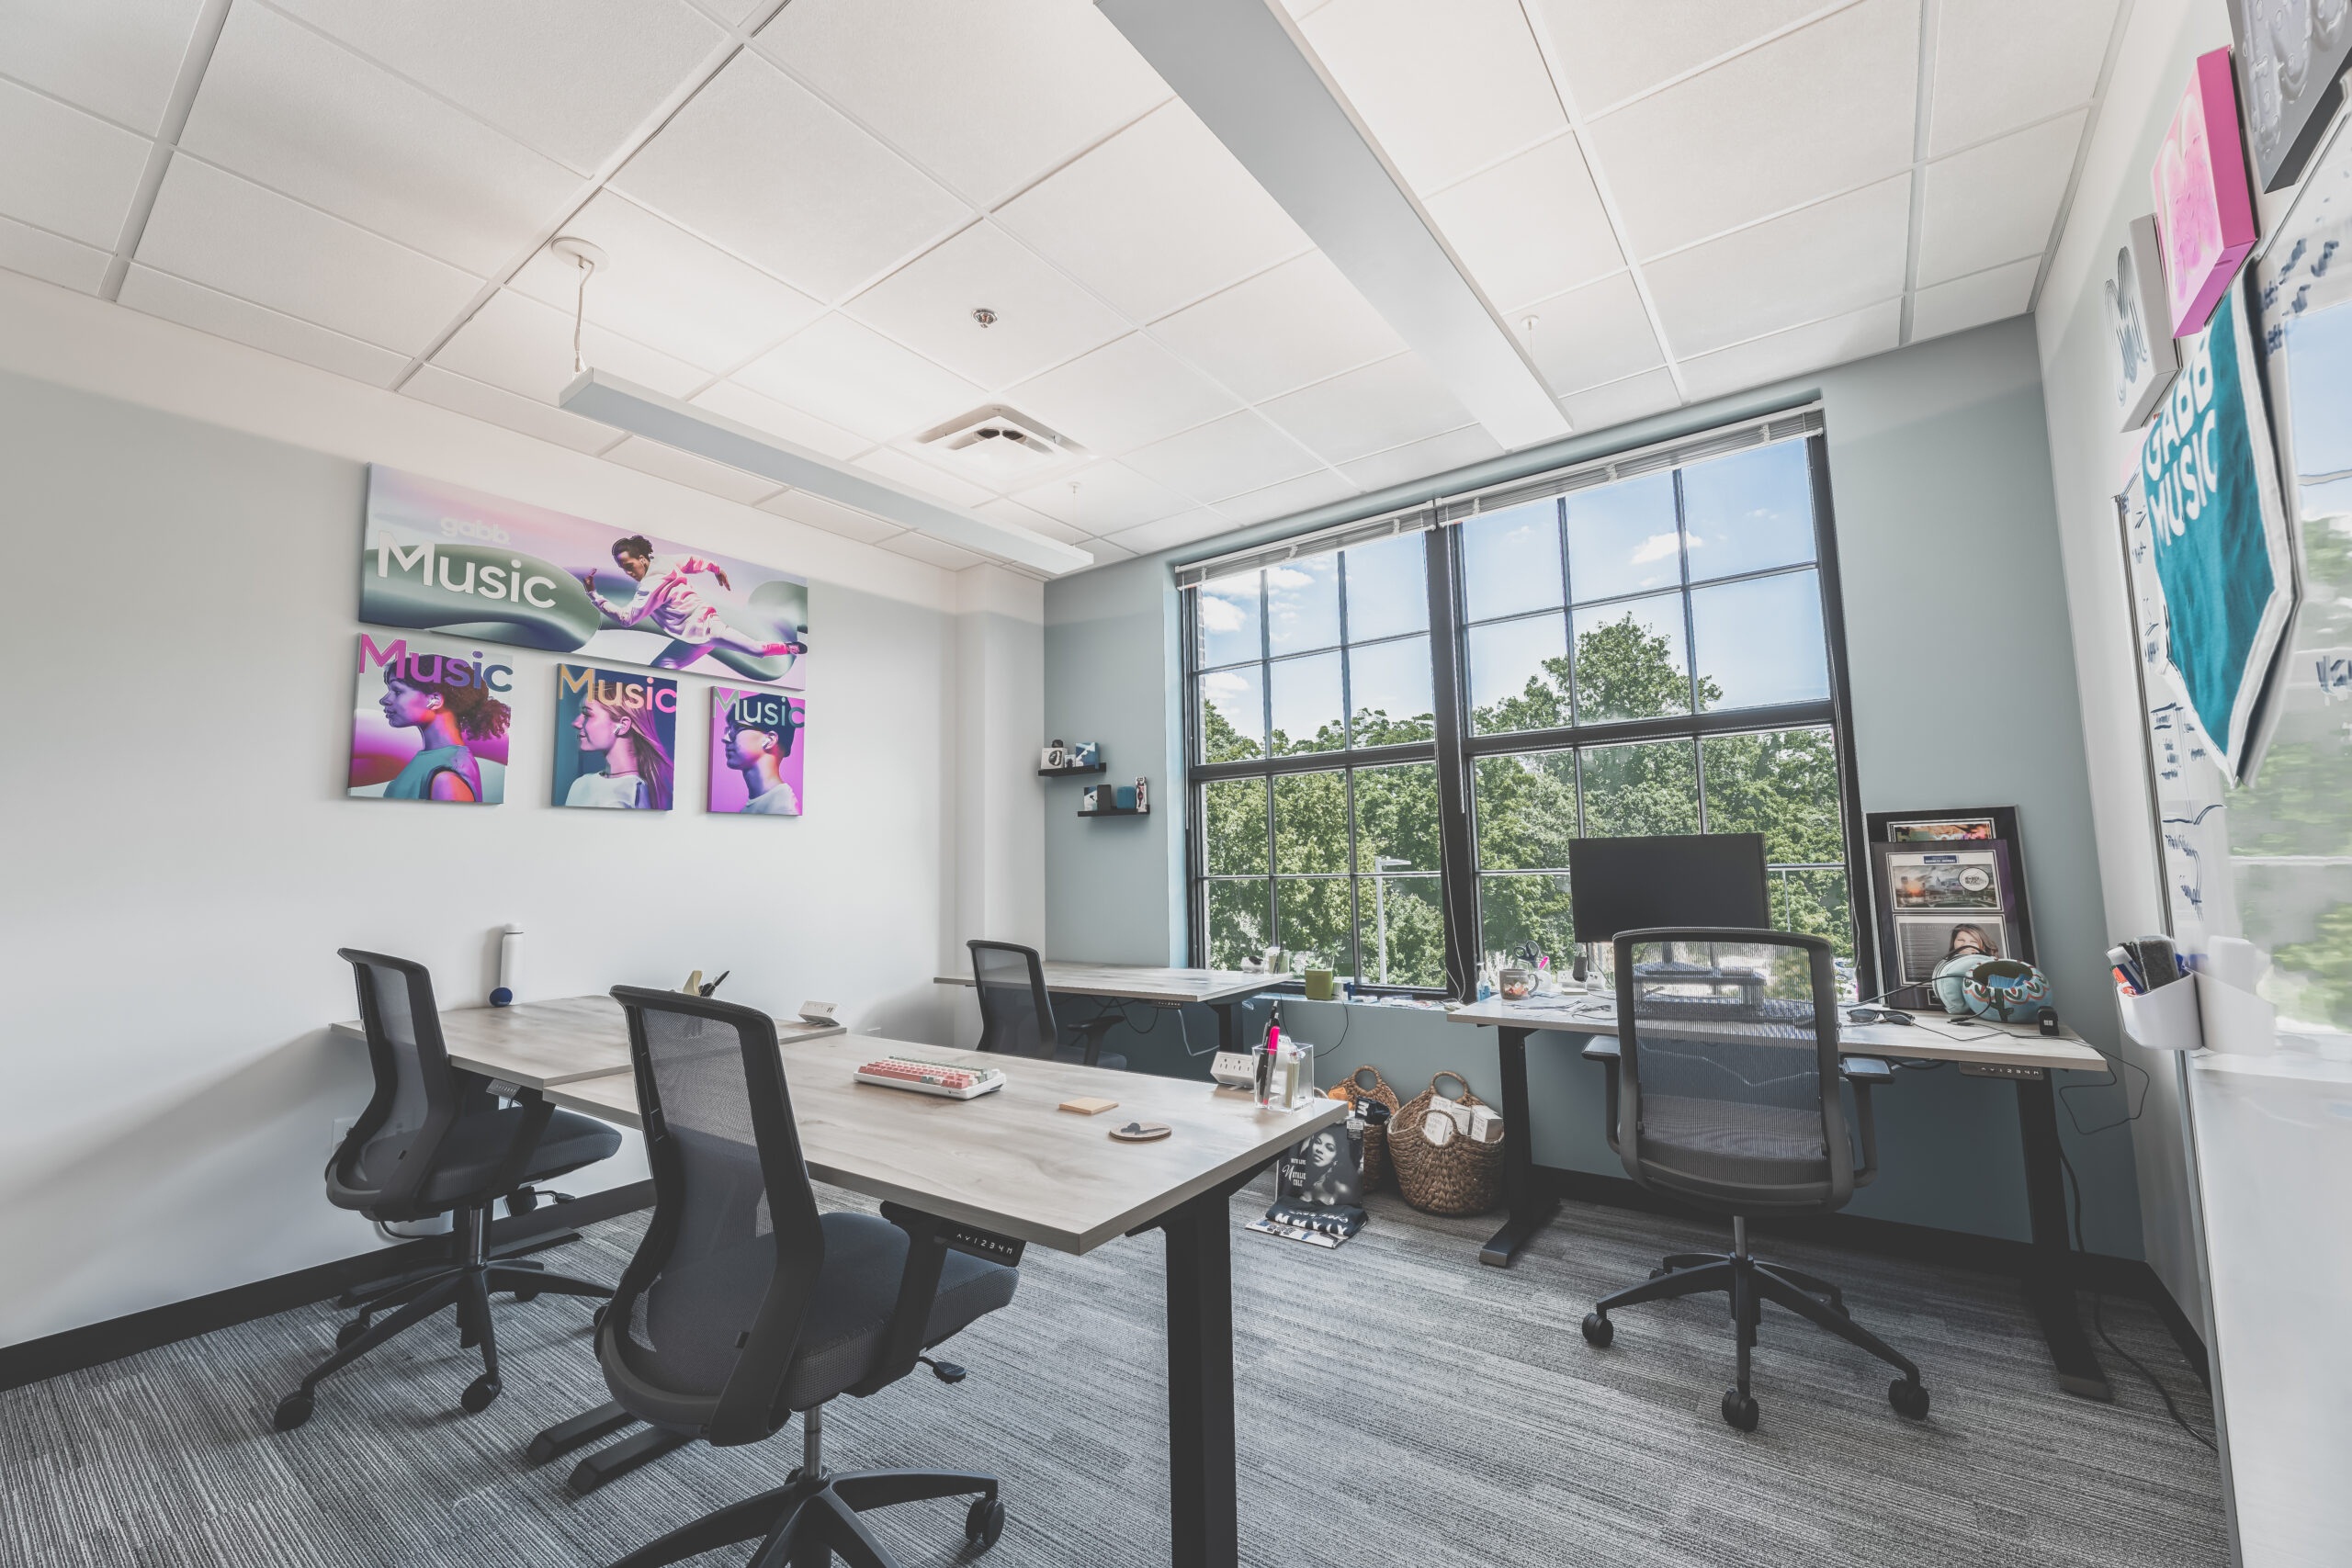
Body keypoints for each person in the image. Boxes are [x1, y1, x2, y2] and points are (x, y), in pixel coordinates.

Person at [585, 535, 806, 671]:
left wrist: (594, 594)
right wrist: (716, 569)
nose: (628, 573)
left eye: (630, 566)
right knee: (660, 669)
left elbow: (627, 619)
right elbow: (692, 561)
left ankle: (789, 647)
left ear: (642, 559)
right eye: (623, 568)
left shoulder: (650, 586)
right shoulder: (663, 560)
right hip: (689, 640)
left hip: (710, 628)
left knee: (757, 650)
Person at [376, 661, 507, 803]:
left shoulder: (446, 777)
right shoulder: (434, 759)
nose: (384, 700)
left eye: (397, 691)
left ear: (435, 700)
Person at [565, 690, 673, 810]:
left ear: (622, 726)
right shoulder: (581, 784)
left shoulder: (625, 799)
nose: (576, 723)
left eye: (587, 715)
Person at [721, 695, 801, 815]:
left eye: (737, 728)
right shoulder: (760, 805)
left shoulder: (782, 808)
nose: (725, 738)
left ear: (769, 740)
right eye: (728, 730)